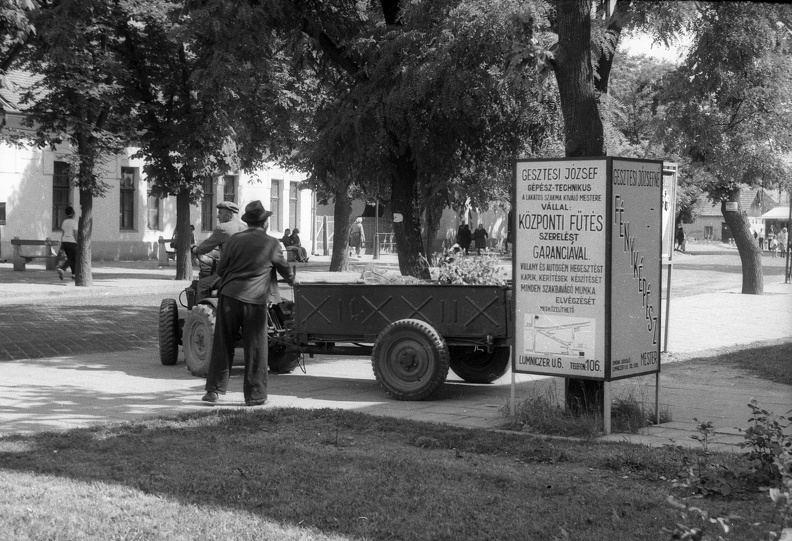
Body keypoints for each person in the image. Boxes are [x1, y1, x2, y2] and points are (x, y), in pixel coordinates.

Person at [202, 200, 294, 407]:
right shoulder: (271, 243)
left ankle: (213, 391)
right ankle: (255, 396)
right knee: (256, 346)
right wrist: (292, 280)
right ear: (265, 223)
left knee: (223, 342)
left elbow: (222, 270)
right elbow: (284, 268)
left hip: (229, 297)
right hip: (254, 301)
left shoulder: (234, 240)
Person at [192, 201, 247, 302]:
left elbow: (205, 247)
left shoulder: (223, 228)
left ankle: (201, 310)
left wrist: (195, 249)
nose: (218, 216)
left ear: (229, 215)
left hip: (230, 273)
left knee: (202, 284)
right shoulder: (246, 227)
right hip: (246, 273)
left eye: (220, 213)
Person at [56, 206, 78, 280]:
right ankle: (62, 269)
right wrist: (77, 242)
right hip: (72, 242)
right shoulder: (74, 222)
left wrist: (61, 244)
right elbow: (75, 233)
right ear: (73, 213)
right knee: (72, 258)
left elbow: (63, 233)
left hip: (65, 242)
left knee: (71, 259)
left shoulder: (64, 222)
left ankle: (74, 275)